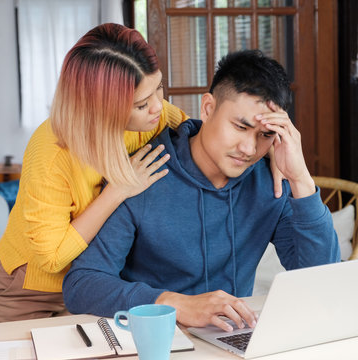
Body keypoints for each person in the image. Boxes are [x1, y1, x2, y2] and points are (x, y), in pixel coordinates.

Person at [0, 22, 285, 324]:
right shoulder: (52, 152)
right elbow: (52, 257)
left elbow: (205, 132)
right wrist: (118, 191)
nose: (157, 107)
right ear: (101, 107)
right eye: (141, 104)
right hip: (26, 285)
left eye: (159, 88)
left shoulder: (154, 116)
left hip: (91, 281)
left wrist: (263, 142)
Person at [62, 49, 340, 332]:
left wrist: (301, 180)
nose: (249, 148)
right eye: (240, 126)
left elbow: (322, 282)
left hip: (233, 339)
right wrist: (173, 303)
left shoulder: (271, 183)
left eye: (265, 134)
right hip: (156, 341)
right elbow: (82, 284)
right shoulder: (141, 174)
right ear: (207, 108)